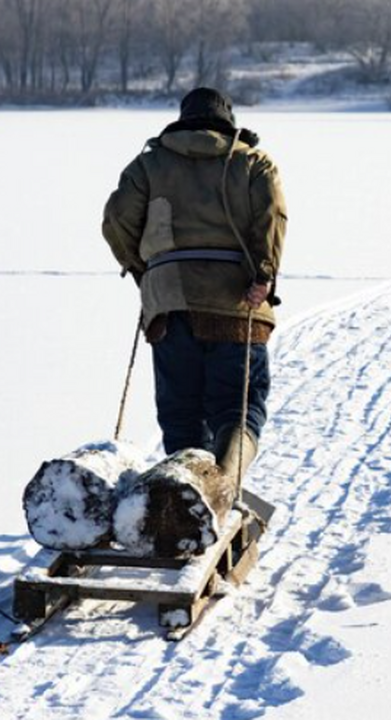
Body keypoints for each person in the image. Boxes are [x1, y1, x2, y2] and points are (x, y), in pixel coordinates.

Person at [101, 87, 286, 482]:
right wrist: (263, 275)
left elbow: (117, 221)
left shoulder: (149, 165)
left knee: (181, 411)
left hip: (169, 304)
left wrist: (146, 272)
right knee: (239, 407)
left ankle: (186, 494)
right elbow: (270, 220)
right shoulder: (254, 163)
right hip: (237, 305)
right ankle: (223, 485)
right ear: (228, 122)